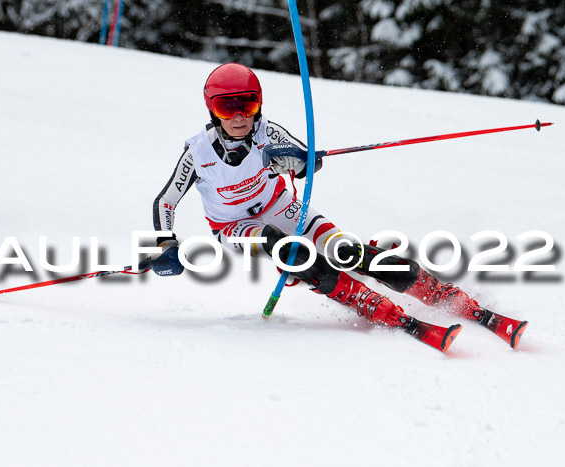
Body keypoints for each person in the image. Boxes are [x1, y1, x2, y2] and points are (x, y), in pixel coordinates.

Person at [150, 63, 527, 352]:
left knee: (346, 250)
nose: (238, 115)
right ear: (211, 108)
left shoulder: (268, 132)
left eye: (247, 104)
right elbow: (165, 201)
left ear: (258, 103)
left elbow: (309, 161)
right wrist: (167, 244)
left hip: (279, 204)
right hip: (232, 227)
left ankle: (442, 294)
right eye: (226, 105)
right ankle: (367, 301)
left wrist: (296, 161)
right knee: (286, 248)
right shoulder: (197, 153)